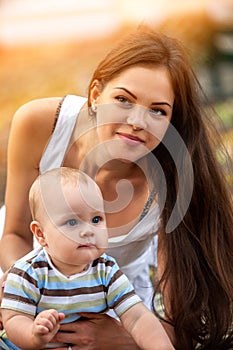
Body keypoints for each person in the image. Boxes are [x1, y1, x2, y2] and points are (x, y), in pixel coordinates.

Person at [0, 25, 232, 349]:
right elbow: (15, 234)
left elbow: (178, 323)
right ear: (96, 95)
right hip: (24, 266)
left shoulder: (173, 176)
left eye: (157, 110)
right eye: (123, 99)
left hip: (108, 295)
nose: (137, 121)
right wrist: (24, 289)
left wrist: (122, 338)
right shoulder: (40, 123)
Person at [0, 167, 174, 350]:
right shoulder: (29, 272)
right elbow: (14, 318)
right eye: (72, 222)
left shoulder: (106, 270)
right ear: (41, 234)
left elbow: (137, 317)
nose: (88, 230)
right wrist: (33, 334)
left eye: (97, 219)